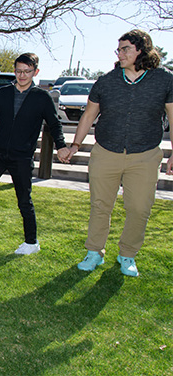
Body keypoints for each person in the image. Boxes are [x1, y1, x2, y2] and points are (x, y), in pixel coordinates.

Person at [66, 30, 173, 277]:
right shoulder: (106, 81)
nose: (120, 53)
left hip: (145, 156)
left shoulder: (164, 80)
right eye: (119, 49)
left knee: (139, 208)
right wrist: (75, 145)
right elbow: (88, 115)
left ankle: (127, 255)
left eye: (125, 48)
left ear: (142, 50)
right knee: (100, 206)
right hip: (106, 152)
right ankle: (94, 252)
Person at [0, 53, 69, 254]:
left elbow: (54, 124)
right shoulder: (4, 93)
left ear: (36, 72)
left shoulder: (42, 97)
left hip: (22, 156)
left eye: (27, 71)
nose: (22, 75)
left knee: (24, 200)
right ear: (14, 71)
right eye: (18, 71)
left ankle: (31, 242)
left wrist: (61, 145)